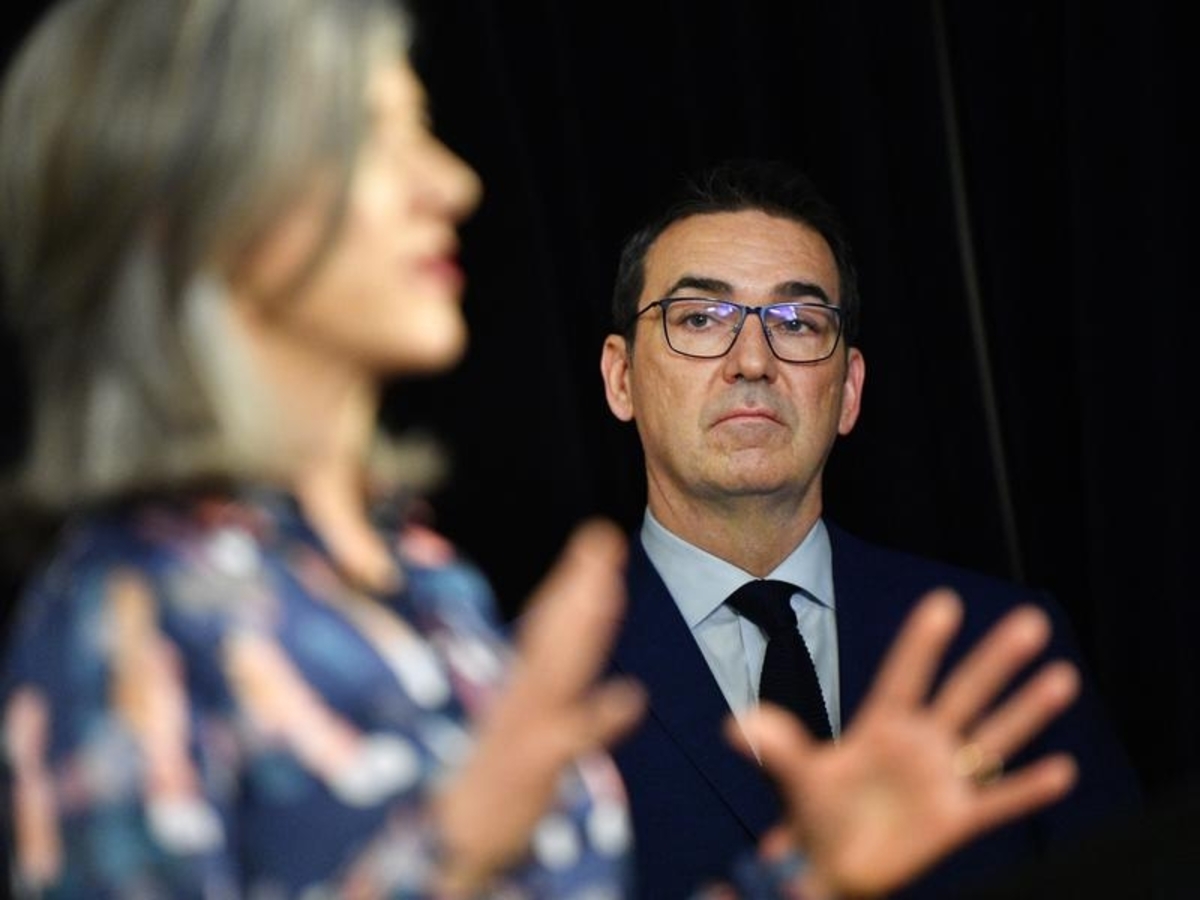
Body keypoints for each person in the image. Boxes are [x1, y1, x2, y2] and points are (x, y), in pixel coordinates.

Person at [0, 1, 1094, 897]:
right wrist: (447, 856)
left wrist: (810, 878)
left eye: (798, 323)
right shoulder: (123, 615)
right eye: (377, 139)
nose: (452, 184)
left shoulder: (428, 588)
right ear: (203, 207)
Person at [598, 158, 1145, 899]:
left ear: (849, 391)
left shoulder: (1002, 642)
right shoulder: (521, 693)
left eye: (798, 323)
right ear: (621, 378)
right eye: (700, 319)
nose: (752, 361)